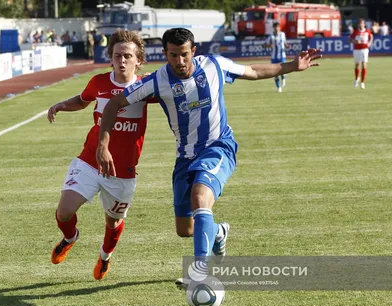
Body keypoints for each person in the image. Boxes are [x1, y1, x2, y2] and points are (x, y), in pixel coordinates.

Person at [96, 28, 321, 289]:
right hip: (184, 157)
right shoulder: (157, 81)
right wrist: (104, 145)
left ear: (193, 51)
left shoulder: (214, 65)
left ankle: (199, 274)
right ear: (165, 54)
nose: (179, 62)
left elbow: (254, 71)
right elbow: (114, 104)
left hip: (218, 147)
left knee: (200, 198)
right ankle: (219, 232)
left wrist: (292, 66)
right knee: (186, 230)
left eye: (183, 55)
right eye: (172, 56)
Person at [48, 29, 156, 280]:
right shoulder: (99, 82)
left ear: (138, 60)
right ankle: (70, 237)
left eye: (128, 56)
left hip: (123, 171)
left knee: (113, 222)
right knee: (64, 211)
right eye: (117, 55)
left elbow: (173, 93)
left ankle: (105, 256)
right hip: (89, 160)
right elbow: (84, 99)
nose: (122, 61)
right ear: (111, 57)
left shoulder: (146, 87)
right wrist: (64, 104)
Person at [264, 22, 291, 92]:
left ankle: (283, 77)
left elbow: (284, 43)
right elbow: (264, 45)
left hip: (282, 56)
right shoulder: (271, 36)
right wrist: (269, 45)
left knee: (283, 69)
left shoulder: (282, 34)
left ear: (279, 27)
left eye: (278, 27)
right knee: (274, 73)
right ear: (273, 28)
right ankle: (279, 87)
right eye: (275, 27)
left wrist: (287, 46)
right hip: (274, 57)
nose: (276, 28)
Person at [349, 18, 373, 89]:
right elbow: (349, 39)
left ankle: (362, 82)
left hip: (365, 49)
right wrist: (354, 42)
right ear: (358, 24)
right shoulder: (355, 32)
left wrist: (369, 43)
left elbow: (371, 37)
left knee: (364, 64)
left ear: (364, 24)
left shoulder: (367, 31)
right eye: (359, 23)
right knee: (357, 65)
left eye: (362, 23)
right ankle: (356, 79)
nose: (361, 24)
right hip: (357, 49)